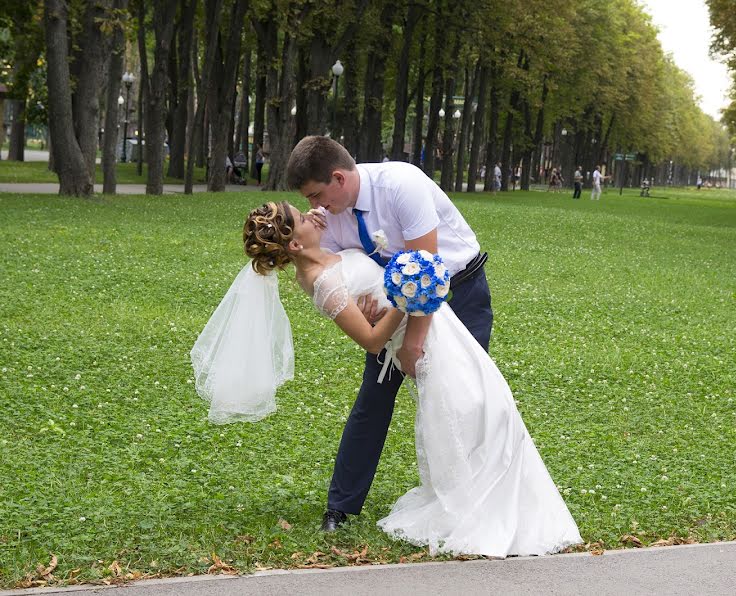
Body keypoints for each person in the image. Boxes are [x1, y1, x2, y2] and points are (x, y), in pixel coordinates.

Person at [191, 200, 583, 558]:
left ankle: (499, 494)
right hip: (422, 347)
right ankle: (477, 502)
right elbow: (374, 341)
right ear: (294, 246)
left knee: (489, 402)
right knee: (471, 408)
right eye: (301, 216)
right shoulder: (322, 284)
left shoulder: (327, 254)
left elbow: (354, 260)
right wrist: (405, 297)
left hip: (441, 329)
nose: (312, 214)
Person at [284, 136, 494, 534]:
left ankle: (471, 494)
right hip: (392, 312)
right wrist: (365, 302)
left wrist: (414, 343)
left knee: (464, 396)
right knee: (373, 398)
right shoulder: (330, 216)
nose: (315, 207)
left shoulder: (401, 185)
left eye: (316, 195)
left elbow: (425, 270)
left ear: (338, 178)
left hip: (458, 291)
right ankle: (340, 506)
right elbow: (345, 273)